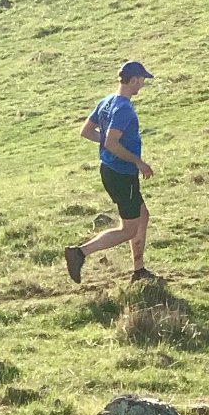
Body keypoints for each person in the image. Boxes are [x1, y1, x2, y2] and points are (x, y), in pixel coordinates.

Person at [66, 63, 155, 284]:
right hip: (123, 174)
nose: (143, 85)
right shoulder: (124, 109)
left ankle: (139, 270)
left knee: (142, 215)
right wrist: (139, 162)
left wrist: (106, 142)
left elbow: (86, 131)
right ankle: (80, 253)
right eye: (142, 80)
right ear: (134, 80)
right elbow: (113, 143)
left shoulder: (106, 101)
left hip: (109, 169)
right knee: (128, 229)